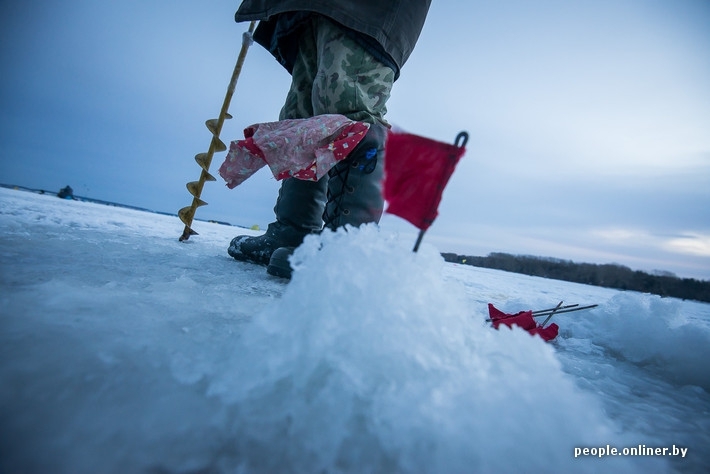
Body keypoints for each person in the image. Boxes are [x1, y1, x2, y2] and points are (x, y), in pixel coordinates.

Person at [229, 0, 432, 278]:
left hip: (368, 11)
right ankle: (294, 233)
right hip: (316, 7)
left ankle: (346, 251)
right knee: (303, 116)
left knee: (345, 104)